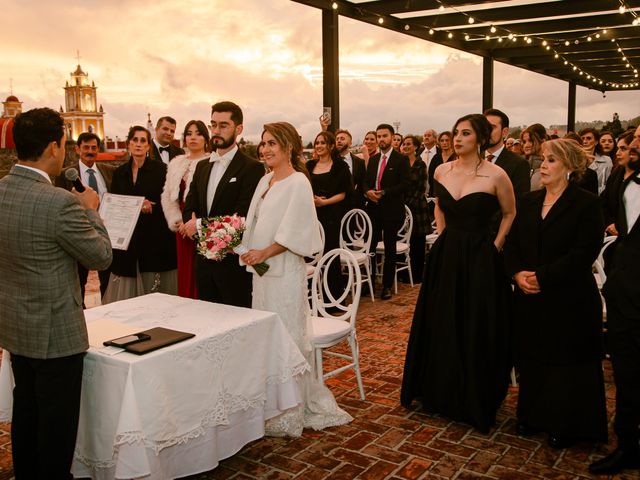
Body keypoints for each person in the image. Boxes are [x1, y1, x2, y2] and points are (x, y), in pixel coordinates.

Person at [0, 107, 112, 478]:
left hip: (16, 326)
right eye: (64, 144)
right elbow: (101, 256)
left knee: (26, 410)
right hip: (56, 334)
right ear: (53, 146)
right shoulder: (59, 202)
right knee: (56, 426)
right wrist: (91, 210)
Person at [401, 114, 516, 433]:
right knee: (442, 319)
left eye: (465, 133)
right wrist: (442, 233)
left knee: (474, 322)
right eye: (455, 133)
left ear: (480, 138)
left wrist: (494, 246)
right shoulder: (441, 170)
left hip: (480, 257)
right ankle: (439, 390)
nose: (458, 138)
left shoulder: (497, 175)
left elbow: (510, 213)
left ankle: (473, 395)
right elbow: (439, 205)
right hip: (446, 253)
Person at [239, 121, 352, 436]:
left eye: (272, 143)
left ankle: (291, 408)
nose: (265, 149)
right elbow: (254, 221)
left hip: (285, 270)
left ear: (288, 146)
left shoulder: (300, 182)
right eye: (263, 144)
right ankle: (271, 401)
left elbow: (296, 231)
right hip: (261, 273)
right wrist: (244, 247)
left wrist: (264, 252)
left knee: (287, 336)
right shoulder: (265, 181)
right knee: (266, 336)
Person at [505, 138, 607, 449]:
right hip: (530, 296)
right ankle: (533, 416)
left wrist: (543, 277)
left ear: (569, 167)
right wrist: (517, 273)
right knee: (533, 358)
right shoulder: (529, 201)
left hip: (569, 298)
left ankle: (568, 424)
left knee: (566, 363)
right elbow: (513, 244)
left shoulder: (587, 203)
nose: (543, 166)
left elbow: (583, 252)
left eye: (551, 160)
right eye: (543, 159)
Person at [590, 125, 640, 475]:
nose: (635, 143)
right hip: (624, 293)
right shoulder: (622, 179)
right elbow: (604, 212)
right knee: (626, 371)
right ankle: (627, 445)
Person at [181, 101, 264, 307]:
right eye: (213, 125)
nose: (216, 131)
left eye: (223, 125)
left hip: (233, 265)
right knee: (208, 323)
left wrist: (197, 227)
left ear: (239, 129)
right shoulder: (201, 167)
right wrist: (192, 224)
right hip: (203, 263)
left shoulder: (252, 168)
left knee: (238, 326)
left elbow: (241, 219)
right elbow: (190, 208)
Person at [103, 126, 178, 302]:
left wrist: (151, 205)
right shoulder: (120, 172)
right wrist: (136, 205)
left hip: (154, 236)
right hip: (128, 239)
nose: (138, 144)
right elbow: (114, 203)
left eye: (143, 140)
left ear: (148, 146)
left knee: (155, 293)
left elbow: (170, 202)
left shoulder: (162, 170)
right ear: (128, 144)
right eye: (135, 140)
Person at [55, 131, 114, 302]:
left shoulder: (109, 171)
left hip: (105, 232)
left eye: (94, 148)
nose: (90, 151)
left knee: (107, 281)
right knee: (79, 280)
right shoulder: (66, 174)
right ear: (77, 149)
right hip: (79, 233)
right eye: (86, 147)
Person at [161, 120, 211, 299]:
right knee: (185, 271)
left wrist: (193, 222)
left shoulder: (212, 161)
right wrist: (177, 220)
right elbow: (167, 195)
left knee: (202, 272)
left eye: (198, 133)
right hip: (180, 226)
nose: (193, 137)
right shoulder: (176, 163)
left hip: (202, 223)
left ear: (206, 138)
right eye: (189, 133)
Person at [364, 123, 410, 300]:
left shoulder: (401, 159)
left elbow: (405, 184)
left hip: (391, 210)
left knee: (390, 248)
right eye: (379, 136)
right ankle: (371, 282)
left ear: (392, 137)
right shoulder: (374, 159)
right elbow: (366, 181)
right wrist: (368, 192)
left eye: (384, 136)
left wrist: (384, 193)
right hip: (374, 209)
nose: (381, 139)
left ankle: (387, 286)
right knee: (371, 246)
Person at [306, 131, 352, 298]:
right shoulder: (309, 166)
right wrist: (312, 199)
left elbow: (344, 193)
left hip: (331, 215)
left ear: (331, 146)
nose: (318, 146)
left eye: (323, 143)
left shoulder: (340, 166)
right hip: (311, 215)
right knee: (311, 254)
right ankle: (312, 295)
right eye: (317, 142)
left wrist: (325, 202)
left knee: (329, 253)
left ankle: (332, 297)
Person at [483, 109, 531, 200]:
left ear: (504, 132)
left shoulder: (519, 164)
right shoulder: (473, 159)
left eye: (492, 127)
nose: (486, 131)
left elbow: (520, 202)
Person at [401, 134, 430, 282]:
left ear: (416, 147)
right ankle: (405, 272)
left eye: (408, 144)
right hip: (403, 206)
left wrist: (409, 203)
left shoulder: (420, 164)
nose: (405, 146)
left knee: (418, 242)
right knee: (405, 240)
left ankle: (417, 274)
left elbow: (421, 187)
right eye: (403, 144)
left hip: (417, 207)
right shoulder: (401, 162)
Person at [335, 128, 366, 209]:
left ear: (350, 143)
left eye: (342, 139)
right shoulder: (331, 161)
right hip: (335, 206)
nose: (338, 141)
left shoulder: (360, 162)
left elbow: (363, 184)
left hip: (354, 207)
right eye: (337, 139)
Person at [580, 127, 613, 195]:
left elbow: (608, 185)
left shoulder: (606, 160)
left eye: (588, 138)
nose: (585, 141)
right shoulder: (575, 160)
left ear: (596, 142)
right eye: (582, 138)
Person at [419, 128, 442, 197]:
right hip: (420, 193)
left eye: (429, 135)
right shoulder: (418, 153)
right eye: (425, 135)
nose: (426, 137)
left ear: (435, 138)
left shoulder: (440, 153)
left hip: (435, 192)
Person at [521, 125, 545, 190]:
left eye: (530, 141)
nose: (526, 145)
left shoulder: (548, 165)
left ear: (542, 141)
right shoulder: (520, 163)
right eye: (524, 142)